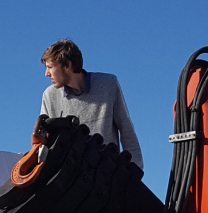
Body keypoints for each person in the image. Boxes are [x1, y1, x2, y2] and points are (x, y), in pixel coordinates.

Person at [40, 40, 143, 172]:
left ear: (67, 65)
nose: (47, 73)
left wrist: (135, 171)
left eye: (50, 67)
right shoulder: (49, 96)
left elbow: (127, 130)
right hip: (69, 179)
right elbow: (46, 143)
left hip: (106, 177)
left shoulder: (108, 85)